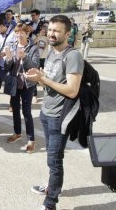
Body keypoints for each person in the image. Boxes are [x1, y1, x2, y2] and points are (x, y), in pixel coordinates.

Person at [25, 15, 84, 210]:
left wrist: (46, 81)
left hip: (60, 116)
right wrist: (38, 78)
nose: (51, 34)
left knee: (55, 160)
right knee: (52, 158)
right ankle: (51, 186)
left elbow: (72, 89)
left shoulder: (73, 55)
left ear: (67, 33)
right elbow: (51, 81)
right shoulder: (51, 51)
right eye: (50, 30)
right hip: (46, 112)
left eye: (56, 31)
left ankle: (50, 203)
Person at [4, 23, 39, 153]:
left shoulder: (33, 48)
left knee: (27, 112)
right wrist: (8, 59)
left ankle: (31, 140)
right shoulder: (13, 46)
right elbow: (8, 67)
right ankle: (17, 133)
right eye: (17, 32)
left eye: (22, 32)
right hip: (14, 83)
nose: (19, 35)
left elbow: (34, 66)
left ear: (27, 33)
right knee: (15, 110)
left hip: (27, 84)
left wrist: (24, 57)